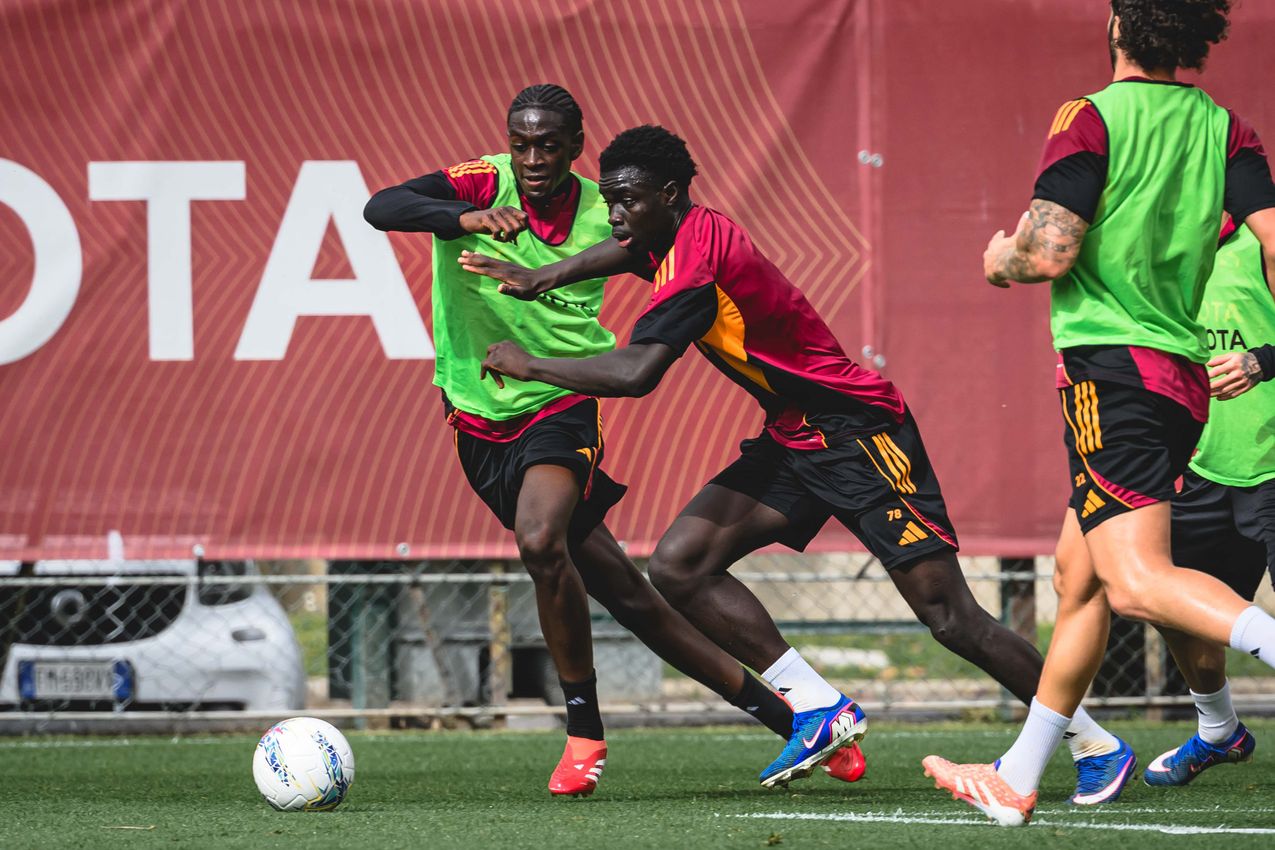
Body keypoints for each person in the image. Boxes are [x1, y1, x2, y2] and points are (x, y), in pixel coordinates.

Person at [466, 124, 1124, 793]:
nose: (613, 214)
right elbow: (623, 248)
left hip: (859, 435)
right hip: (795, 434)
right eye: (607, 198)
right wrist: (542, 276)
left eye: (627, 199)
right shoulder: (678, 233)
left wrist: (530, 364)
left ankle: (1095, 743)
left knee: (950, 617)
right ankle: (819, 708)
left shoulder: (693, 263)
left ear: (668, 193)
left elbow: (637, 372)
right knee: (680, 563)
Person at [363, 84, 861, 797]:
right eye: (521, 142)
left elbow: (685, 262)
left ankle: (582, 731)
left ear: (575, 147)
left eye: (547, 145)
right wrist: (464, 216)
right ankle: (794, 719)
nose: (531, 158)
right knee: (626, 592)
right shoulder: (483, 181)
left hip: (562, 402)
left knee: (540, 541)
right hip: (475, 412)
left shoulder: (612, 206)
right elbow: (380, 207)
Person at [920, 1, 1275, 826]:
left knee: (1136, 581)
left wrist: (997, 262)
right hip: (1177, 383)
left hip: (1109, 375)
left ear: (1118, 26)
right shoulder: (1226, 129)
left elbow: (1047, 251)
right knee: (1077, 579)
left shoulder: (1087, 117)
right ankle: (1020, 772)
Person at [1143, 220, 1275, 787]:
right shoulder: (1166, 248)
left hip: (1271, 468)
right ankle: (1218, 729)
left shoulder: (1262, 242)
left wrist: (1260, 361)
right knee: (1172, 605)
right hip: (1201, 470)